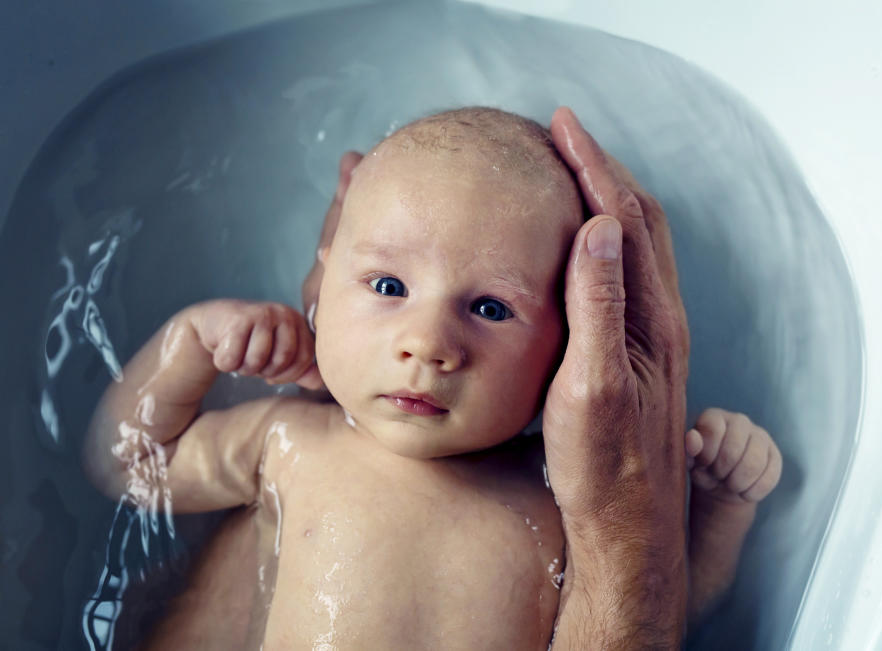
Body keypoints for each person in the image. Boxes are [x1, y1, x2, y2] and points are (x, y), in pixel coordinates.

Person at [84, 107, 781, 649]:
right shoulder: (291, 438)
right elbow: (133, 466)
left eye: (490, 307)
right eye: (388, 284)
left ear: (572, 344)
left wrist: (721, 507)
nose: (427, 343)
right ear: (327, 277)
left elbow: (664, 606)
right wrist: (190, 345)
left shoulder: (569, 496)